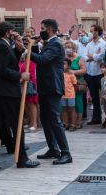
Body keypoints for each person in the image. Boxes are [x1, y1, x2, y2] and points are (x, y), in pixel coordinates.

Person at [0, 22, 39, 170]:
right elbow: (2, 70)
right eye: (13, 32)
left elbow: (9, 62)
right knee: (17, 124)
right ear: (7, 33)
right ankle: (22, 159)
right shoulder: (2, 46)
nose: (15, 34)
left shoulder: (0, 44)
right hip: (6, 92)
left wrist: (19, 50)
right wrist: (20, 75)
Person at [31, 19, 72, 165]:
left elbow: (43, 60)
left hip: (52, 86)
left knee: (54, 119)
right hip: (45, 86)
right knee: (45, 119)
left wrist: (27, 50)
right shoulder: (49, 43)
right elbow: (41, 59)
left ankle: (66, 153)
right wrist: (34, 45)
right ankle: (53, 149)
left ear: (49, 29)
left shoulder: (55, 44)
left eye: (41, 28)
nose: (39, 31)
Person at [84, 25, 106, 125]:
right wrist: (93, 56)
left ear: (97, 32)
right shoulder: (89, 44)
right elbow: (84, 56)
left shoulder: (103, 43)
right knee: (94, 97)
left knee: (105, 96)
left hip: (100, 73)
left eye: (91, 31)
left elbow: (101, 57)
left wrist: (91, 56)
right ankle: (96, 117)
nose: (90, 33)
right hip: (90, 73)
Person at [65, 41, 86, 129]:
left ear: (74, 48)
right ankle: (69, 122)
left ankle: (79, 121)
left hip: (77, 83)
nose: (67, 49)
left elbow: (84, 70)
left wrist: (73, 72)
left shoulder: (79, 58)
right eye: (66, 47)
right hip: (66, 84)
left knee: (78, 102)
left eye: (69, 47)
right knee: (67, 104)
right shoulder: (64, 58)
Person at [61, 59, 78, 130]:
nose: (63, 65)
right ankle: (66, 123)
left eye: (64, 64)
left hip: (71, 95)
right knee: (64, 109)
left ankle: (73, 124)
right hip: (62, 95)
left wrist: (74, 93)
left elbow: (75, 85)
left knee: (72, 109)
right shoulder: (60, 73)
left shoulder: (71, 74)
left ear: (68, 65)